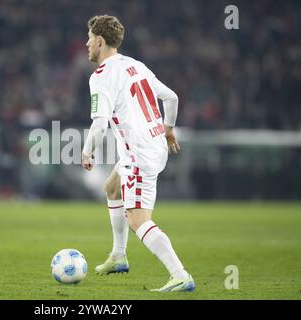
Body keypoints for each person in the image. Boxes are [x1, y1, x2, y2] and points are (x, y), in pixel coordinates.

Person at [81, 15, 194, 292]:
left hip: (139, 155)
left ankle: (180, 274)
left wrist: (86, 152)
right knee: (112, 188)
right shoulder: (135, 65)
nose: (86, 44)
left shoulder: (101, 76)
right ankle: (119, 256)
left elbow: (99, 123)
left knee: (137, 220)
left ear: (99, 41)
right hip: (154, 143)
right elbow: (172, 98)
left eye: (88, 39)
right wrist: (168, 129)